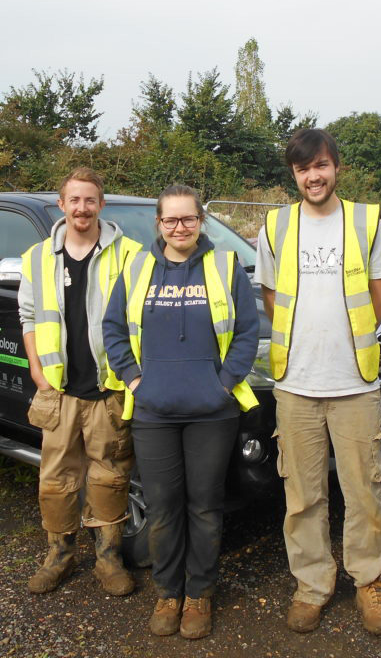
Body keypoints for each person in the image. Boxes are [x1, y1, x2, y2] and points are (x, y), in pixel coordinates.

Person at [254, 128, 381, 637]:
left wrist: (345, 335)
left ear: (336, 167)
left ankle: (370, 583)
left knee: (364, 493)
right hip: (295, 383)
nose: (312, 176)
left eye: (320, 166)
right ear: (293, 175)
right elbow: (271, 296)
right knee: (303, 495)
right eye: (302, 169)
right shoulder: (274, 226)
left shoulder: (367, 221)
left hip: (354, 382)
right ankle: (312, 586)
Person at [103, 184, 259, 640]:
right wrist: (134, 379)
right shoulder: (136, 268)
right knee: (165, 507)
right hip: (154, 412)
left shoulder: (226, 266)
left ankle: (199, 595)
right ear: (159, 224)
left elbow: (247, 333)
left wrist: (224, 384)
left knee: (206, 506)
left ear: (200, 220)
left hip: (212, 412)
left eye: (188, 218)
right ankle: (168, 592)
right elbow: (113, 328)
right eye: (170, 220)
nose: (179, 227)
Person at [17, 167, 142, 598]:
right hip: (60, 392)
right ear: (62, 205)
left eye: (90, 200)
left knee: (110, 479)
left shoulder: (131, 255)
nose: (82, 208)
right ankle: (59, 557)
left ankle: (109, 561)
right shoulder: (37, 258)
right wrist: (37, 369)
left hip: (109, 390)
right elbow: (28, 318)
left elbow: (142, 318)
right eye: (75, 200)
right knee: (55, 481)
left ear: (101, 205)